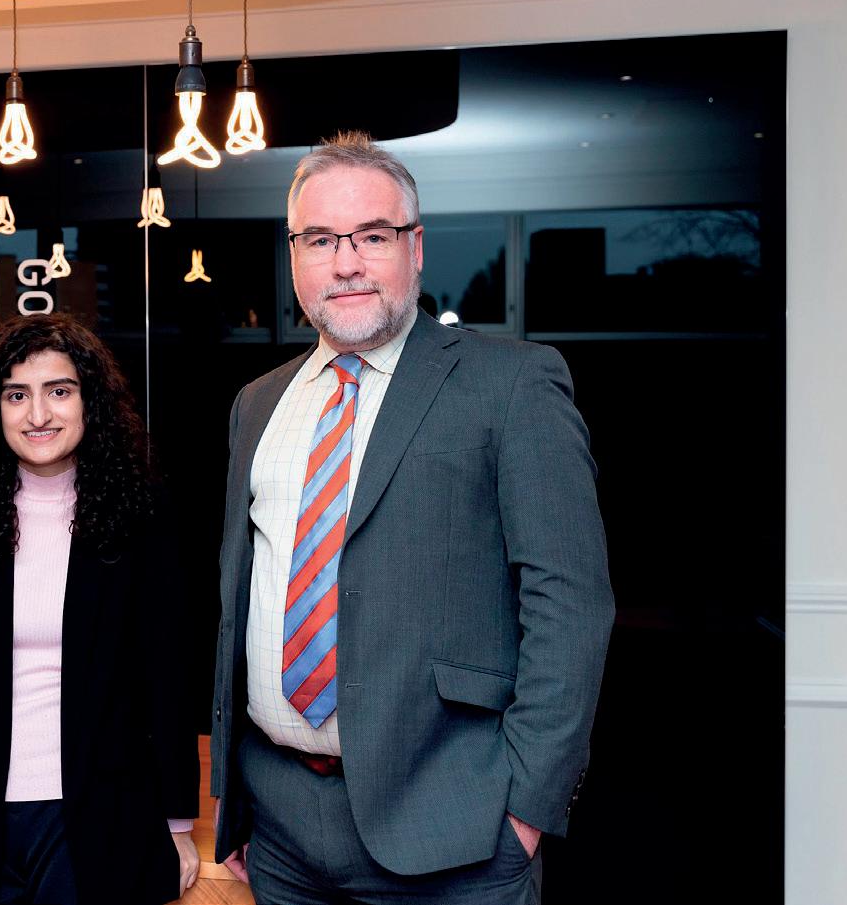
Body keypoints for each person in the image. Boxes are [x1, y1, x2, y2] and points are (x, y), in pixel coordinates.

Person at [210, 132, 613, 903]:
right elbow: (241, 604)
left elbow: (569, 602)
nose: (346, 262)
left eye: (372, 235)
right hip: (280, 827)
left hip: (455, 830)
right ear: (293, 255)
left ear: (415, 247)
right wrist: (237, 803)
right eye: (320, 239)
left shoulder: (511, 383)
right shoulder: (256, 403)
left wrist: (525, 808)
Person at [0, 313, 200, 905]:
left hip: (99, 812)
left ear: (90, 401)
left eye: (59, 391)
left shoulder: (139, 513)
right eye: (16, 395)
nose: (38, 415)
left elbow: (167, 675)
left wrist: (178, 822)